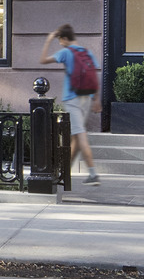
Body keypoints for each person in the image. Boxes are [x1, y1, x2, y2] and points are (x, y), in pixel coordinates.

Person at [41, 23, 102, 183]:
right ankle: (64, 172)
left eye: (60, 40)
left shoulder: (65, 52)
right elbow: (94, 76)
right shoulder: (86, 52)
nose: (59, 42)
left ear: (65, 38)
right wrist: (96, 99)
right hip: (86, 98)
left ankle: (93, 173)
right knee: (75, 136)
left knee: (80, 135)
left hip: (72, 99)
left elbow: (43, 60)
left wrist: (48, 40)